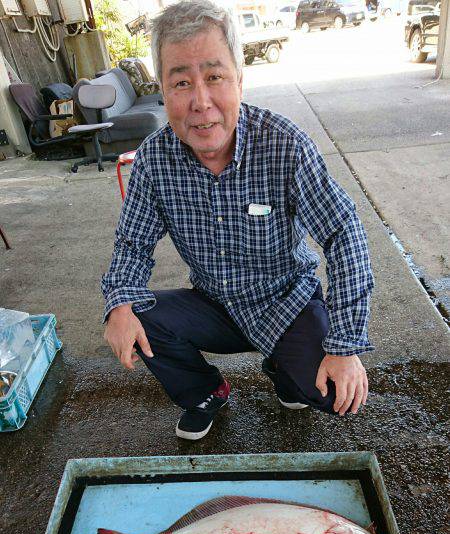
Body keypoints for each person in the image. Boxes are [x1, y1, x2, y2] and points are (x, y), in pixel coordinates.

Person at [102, 0, 374, 441]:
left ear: (239, 80)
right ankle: (206, 392)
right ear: (163, 91)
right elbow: (132, 245)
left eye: (214, 77)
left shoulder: (286, 146)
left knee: (334, 397)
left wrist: (345, 345)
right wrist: (117, 304)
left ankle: (284, 368)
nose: (200, 101)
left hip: (286, 301)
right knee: (134, 311)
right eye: (182, 82)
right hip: (214, 304)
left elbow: (345, 234)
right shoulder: (153, 159)